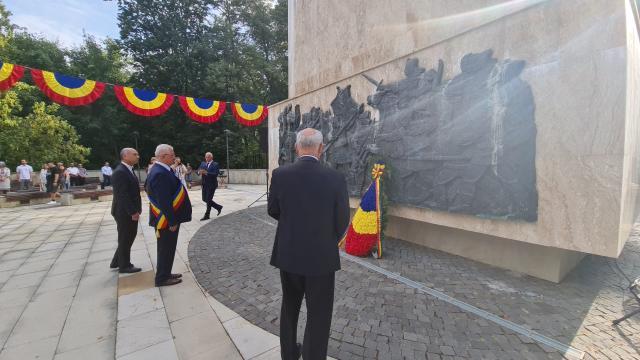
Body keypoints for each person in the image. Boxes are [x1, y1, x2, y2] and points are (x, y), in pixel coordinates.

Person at [267, 128, 350, 360]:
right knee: (319, 312)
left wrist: (293, 226)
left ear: (296, 147)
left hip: (289, 253)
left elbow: (273, 210)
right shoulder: (335, 177)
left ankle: (289, 355)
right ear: (321, 149)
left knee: (289, 307)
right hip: (321, 256)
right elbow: (342, 219)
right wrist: (324, 238)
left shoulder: (280, 174)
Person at [146, 144, 192, 286]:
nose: (174, 156)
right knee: (165, 249)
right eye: (172, 155)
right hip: (166, 221)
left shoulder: (161, 169)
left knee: (168, 248)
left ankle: (166, 273)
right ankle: (162, 278)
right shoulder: (160, 173)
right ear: (163, 156)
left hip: (167, 219)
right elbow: (164, 201)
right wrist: (172, 221)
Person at [109, 148, 143, 273]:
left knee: (127, 236)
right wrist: (132, 212)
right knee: (126, 237)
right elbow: (122, 195)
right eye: (135, 154)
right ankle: (124, 265)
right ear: (125, 156)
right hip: (124, 212)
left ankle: (116, 261)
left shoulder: (128, 170)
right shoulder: (120, 172)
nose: (137, 156)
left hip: (127, 210)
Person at [198, 152, 223, 220]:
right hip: (204, 184)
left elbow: (215, 174)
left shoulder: (215, 164)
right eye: (206, 157)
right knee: (204, 199)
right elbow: (198, 170)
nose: (206, 158)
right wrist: (199, 172)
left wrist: (206, 173)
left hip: (212, 185)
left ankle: (207, 215)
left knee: (208, 200)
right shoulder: (203, 163)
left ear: (211, 157)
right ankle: (218, 207)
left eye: (208, 157)